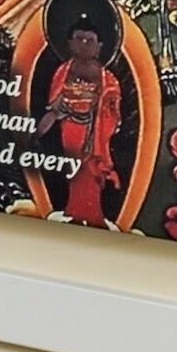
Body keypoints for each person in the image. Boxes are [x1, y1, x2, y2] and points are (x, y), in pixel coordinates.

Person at [35, 16, 126, 225]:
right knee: (73, 169)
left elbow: (113, 105)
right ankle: (74, 210)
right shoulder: (63, 71)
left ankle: (93, 214)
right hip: (70, 127)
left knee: (92, 173)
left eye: (90, 40)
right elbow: (55, 103)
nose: (84, 44)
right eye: (79, 39)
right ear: (69, 43)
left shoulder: (107, 77)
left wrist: (101, 104)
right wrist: (46, 123)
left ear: (100, 46)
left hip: (95, 130)